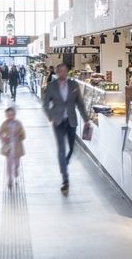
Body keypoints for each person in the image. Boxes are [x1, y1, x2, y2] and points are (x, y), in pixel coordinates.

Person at [43, 62, 90, 192]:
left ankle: (65, 161)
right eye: (60, 71)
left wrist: (86, 119)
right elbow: (45, 103)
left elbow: (80, 104)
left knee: (71, 148)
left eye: (65, 71)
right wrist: (50, 116)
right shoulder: (52, 86)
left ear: (67, 72)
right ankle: (65, 179)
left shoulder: (74, 85)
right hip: (58, 122)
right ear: (57, 73)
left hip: (71, 121)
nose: (63, 74)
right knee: (61, 150)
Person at [0, 106, 26, 188]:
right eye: (8, 115)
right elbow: (0, 133)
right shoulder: (4, 124)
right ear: (6, 116)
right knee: (9, 164)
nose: (10, 117)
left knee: (16, 162)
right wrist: (3, 138)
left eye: (12, 115)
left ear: (15, 115)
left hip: (17, 147)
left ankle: (16, 168)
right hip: (8, 147)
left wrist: (19, 136)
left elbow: (23, 135)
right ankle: (10, 180)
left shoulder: (18, 124)